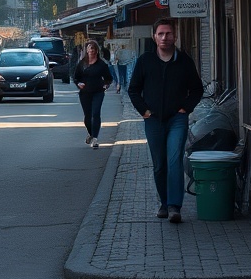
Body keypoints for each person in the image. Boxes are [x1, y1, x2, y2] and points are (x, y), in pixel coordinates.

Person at [128, 18, 203, 224]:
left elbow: (197, 89)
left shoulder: (184, 61)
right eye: (160, 34)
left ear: (175, 36)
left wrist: (185, 109)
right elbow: (133, 89)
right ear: (154, 37)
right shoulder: (145, 61)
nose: (165, 37)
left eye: (168, 34)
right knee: (160, 164)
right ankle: (163, 202)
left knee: (174, 161)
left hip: (177, 119)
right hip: (153, 120)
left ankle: (174, 206)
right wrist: (144, 111)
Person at [73, 39, 112, 149]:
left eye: (93, 49)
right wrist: (78, 83)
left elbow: (109, 78)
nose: (91, 50)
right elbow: (76, 77)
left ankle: (95, 139)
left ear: (97, 51)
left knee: (95, 113)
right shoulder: (82, 64)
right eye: (89, 49)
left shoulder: (101, 64)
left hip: (98, 92)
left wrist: (106, 84)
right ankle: (91, 133)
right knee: (88, 116)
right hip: (85, 93)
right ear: (86, 51)